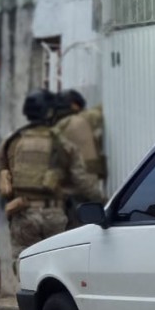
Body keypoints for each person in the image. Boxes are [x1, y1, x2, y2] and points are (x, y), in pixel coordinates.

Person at [0, 89, 103, 310]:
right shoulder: (62, 143)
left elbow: (3, 178)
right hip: (55, 214)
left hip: (23, 214)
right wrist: (104, 202)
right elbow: (83, 183)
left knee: (25, 272)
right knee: (58, 273)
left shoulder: (11, 142)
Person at [53, 90, 107, 227]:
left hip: (63, 199)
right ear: (75, 106)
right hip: (85, 194)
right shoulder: (82, 120)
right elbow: (106, 108)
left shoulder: (55, 128)